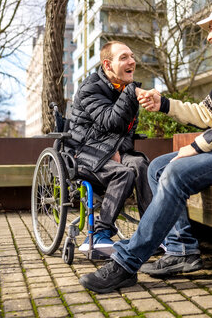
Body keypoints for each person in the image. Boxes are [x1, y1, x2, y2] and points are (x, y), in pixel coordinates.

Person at [79, 1, 212, 293]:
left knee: (176, 171)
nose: (208, 36)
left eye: (210, 28)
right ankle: (181, 251)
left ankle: (125, 264)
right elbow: (209, 114)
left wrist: (196, 147)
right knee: (157, 167)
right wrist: (164, 104)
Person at [65, 41, 153, 253]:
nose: (132, 61)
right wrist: (131, 92)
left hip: (112, 152)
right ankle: (98, 234)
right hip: (83, 153)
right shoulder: (90, 88)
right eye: (123, 57)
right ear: (107, 65)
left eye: (132, 56)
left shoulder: (124, 89)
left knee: (140, 163)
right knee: (123, 174)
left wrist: (117, 150)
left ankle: (152, 233)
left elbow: (127, 132)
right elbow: (110, 121)